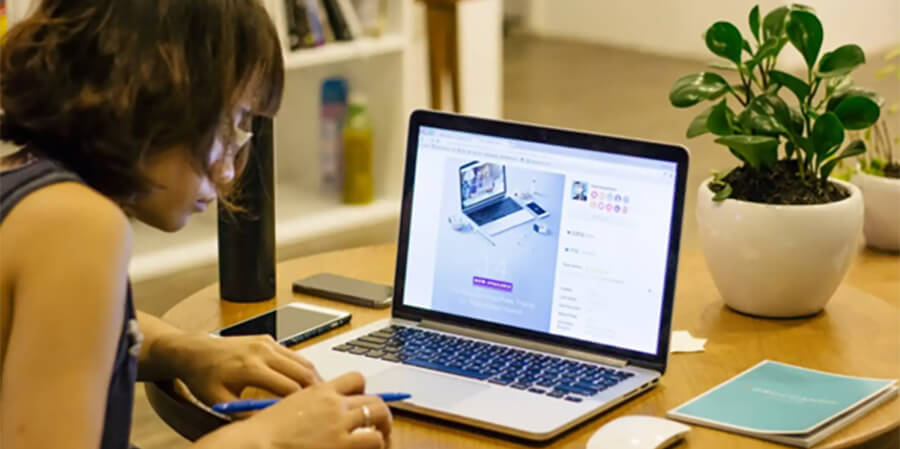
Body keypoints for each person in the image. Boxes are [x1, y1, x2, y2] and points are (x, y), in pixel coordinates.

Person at [0, 1, 391, 449]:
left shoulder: (23, 183)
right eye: (230, 125)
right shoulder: (78, 227)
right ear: (156, 93)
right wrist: (269, 437)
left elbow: (58, 339)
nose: (228, 171)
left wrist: (184, 351)